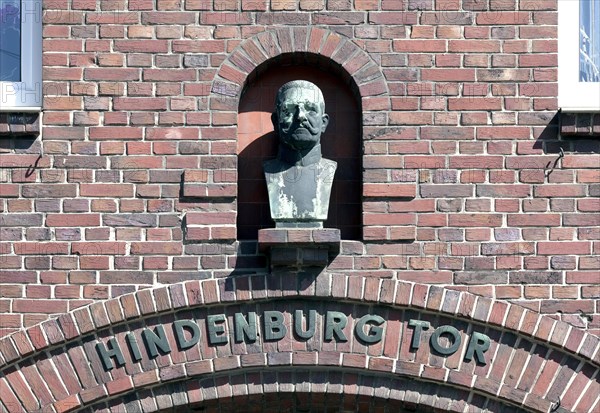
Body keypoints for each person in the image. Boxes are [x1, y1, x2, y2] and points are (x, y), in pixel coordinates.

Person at [264, 80, 337, 227]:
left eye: (311, 109)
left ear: (324, 123)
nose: (300, 116)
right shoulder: (268, 170)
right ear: (276, 122)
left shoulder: (329, 169)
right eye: (289, 110)